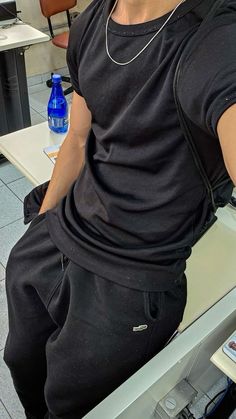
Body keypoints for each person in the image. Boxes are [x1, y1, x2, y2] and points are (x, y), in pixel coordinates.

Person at [4, 0, 236, 418]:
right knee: (23, 364)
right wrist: (41, 225)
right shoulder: (96, 20)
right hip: (53, 241)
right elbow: (77, 138)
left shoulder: (215, 40)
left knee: (73, 408)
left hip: (127, 282)